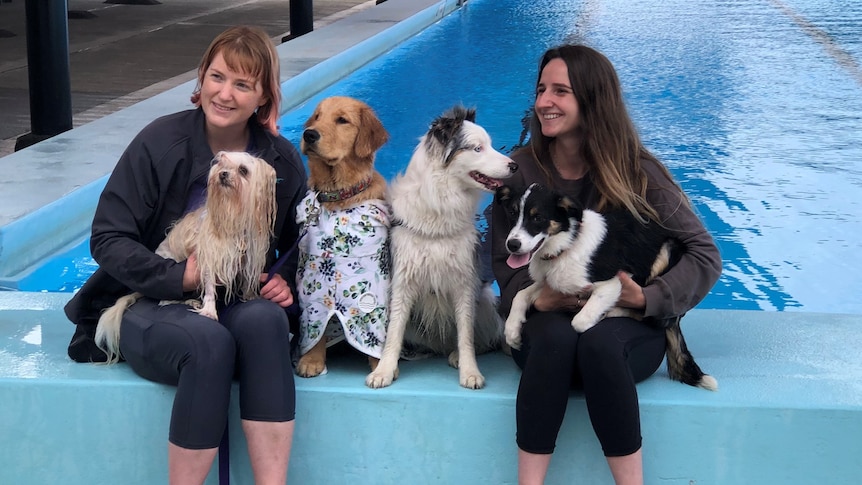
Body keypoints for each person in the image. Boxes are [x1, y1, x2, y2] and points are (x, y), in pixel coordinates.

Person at [64, 25, 307, 485]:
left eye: (242, 84)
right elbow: (108, 238)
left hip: (234, 297)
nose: (225, 94)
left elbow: (304, 240)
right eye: (217, 77)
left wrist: (284, 277)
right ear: (201, 78)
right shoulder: (159, 143)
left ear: (263, 97)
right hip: (149, 302)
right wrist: (178, 277)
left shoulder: (279, 162)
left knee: (266, 322)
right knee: (207, 342)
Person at [490, 44, 722, 485]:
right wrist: (539, 300)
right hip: (547, 340)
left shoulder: (636, 171)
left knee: (598, 342)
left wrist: (649, 297)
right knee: (559, 338)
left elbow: (704, 254)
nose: (544, 102)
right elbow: (505, 262)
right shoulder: (518, 170)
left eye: (561, 91)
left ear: (592, 101)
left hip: (624, 329)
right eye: (541, 89)